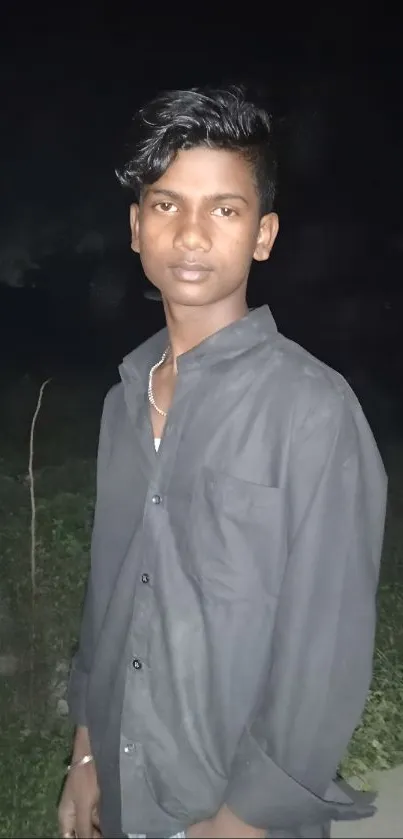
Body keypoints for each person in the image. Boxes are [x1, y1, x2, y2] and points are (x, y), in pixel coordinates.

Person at [58, 85, 387, 839]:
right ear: (136, 227)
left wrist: (243, 820)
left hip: (232, 812)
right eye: (167, 205)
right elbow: (108, 596)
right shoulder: (122, 401)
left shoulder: (312, 409)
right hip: (121, 784)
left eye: (225, 209)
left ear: (263, 234)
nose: (193, 232)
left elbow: (325, 648)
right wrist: (86, 755)